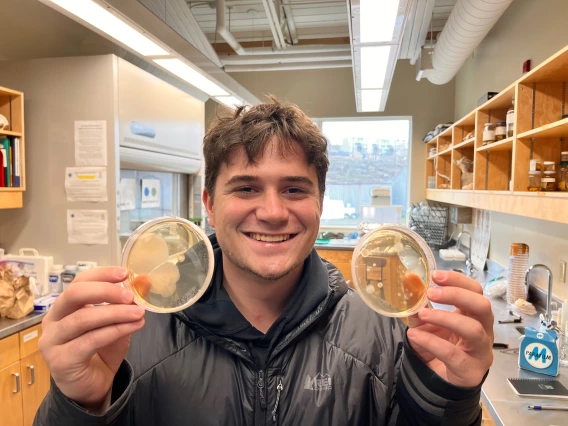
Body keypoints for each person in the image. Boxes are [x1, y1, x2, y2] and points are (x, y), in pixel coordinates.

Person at [34, 98, 494, 426]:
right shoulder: (129, 340)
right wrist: (80, 406)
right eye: (247, 188)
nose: (273, 212)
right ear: (210, 206)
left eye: (295, 189)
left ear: (319, 203)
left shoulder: (386, 338)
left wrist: (444, 403)